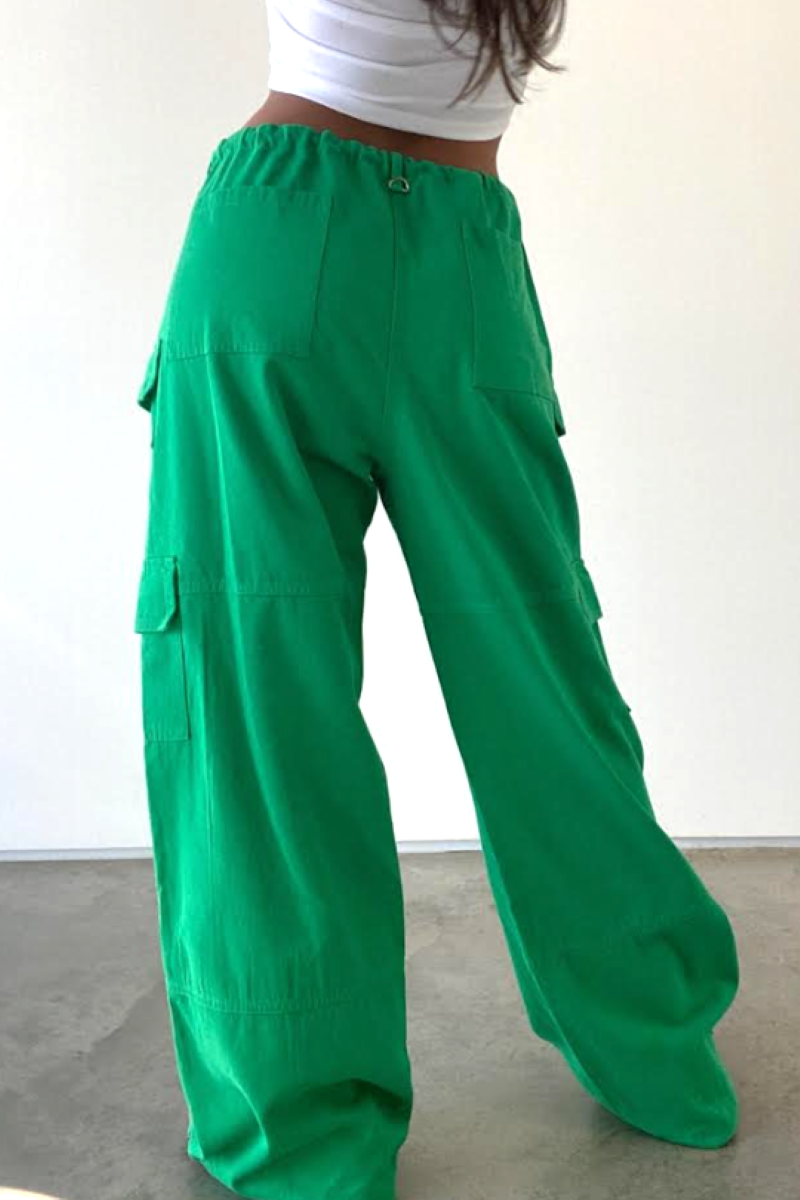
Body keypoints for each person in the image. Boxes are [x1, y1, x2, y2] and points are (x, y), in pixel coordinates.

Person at [132, 2, 740, 1196]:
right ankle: (654, 1048)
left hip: (275, 249)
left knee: (255, 707)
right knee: (544, 688)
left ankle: (302, 1136)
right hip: (461, 266)